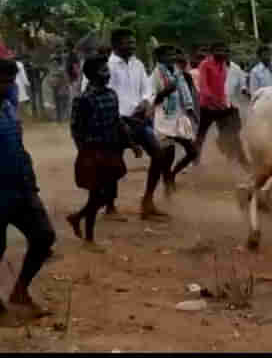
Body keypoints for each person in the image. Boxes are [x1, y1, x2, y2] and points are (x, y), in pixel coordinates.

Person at [81, 28, 168, 221]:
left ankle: (148, 202)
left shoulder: (137, 64)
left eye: (133, 42)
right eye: (127, 42)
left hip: (138, 120)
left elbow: (146, 89)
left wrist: (145, 101)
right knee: (114, 165)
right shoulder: (105, 65)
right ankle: (110, 207)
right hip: (115, 123)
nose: (132, 45)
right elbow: (94, 92)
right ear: (115, 45)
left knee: (158, 154)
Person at [0, 58, 56, 325]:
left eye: (9, 81)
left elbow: (18, 148)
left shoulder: (8, 108)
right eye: (2, 81)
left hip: (21, 189)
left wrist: (30, 182)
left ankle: (20, 292)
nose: (7, 86)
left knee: (44, 236)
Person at [68, 56, 142, 252]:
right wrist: (84, 154)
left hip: (110, 149)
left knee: (104, 195)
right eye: (102, 71)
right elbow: (76, 129)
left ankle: (76, 218)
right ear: (91, 75)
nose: (107, 74)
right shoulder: (83, 99)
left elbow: (118, 122)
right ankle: (89, 239)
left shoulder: (111, 94)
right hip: (93, 152)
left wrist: (132, 144)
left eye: (107, 70)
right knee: (96, 194)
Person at [150, 45, 199, 196]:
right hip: (163, 118)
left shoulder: (177, 72)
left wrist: (191, 111)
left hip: (178, 117)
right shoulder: (155, 75)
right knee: (168, 154)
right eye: (167, 55)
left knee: (192, 152)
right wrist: (165, 92)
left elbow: (185, 92)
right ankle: (167, 182)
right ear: (159, 58)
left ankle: (172, 174)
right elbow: (151, 99)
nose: (172, 58)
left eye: (173, 55)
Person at [195, 42, 247, 168]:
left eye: (224, 51)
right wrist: (215, 102)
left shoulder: (223, 65)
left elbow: (221, 88)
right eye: (219, 50)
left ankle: (241, 160)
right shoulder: (205, 64)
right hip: (207, 107)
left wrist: (223, 103)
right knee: (201, 134)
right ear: (212, 52)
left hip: (221, 106)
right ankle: (195, 159)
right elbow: (204, 87)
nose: (222, 53)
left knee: (230, 133)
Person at [45, 53, 71, 122]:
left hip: (61, 88)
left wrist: (66, 85)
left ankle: (63, 118)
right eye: (53, 61)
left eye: (55, 61)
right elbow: (50, 80)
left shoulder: (60, 69)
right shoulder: (53, 69)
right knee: (59, 104)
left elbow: (66, 79)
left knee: (62, 103)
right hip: (57, 89)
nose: (54, 62)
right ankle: (60, 118)